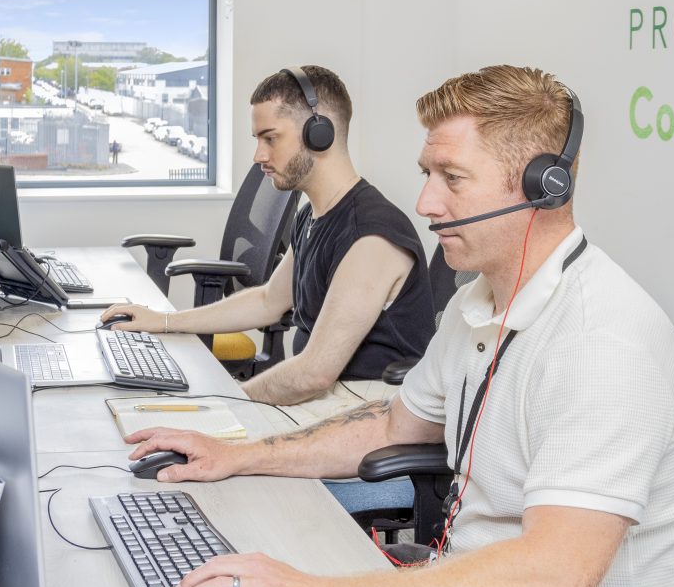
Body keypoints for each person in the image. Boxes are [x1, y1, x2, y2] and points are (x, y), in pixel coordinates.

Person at [124, 65, 674, 587]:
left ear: (544, 187)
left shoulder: (602, 344)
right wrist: (239, 455)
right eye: (426, 174)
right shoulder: (476, 303)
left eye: (452, 179)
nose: (426, 202)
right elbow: (393, 427)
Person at [102, 66, 436, 407]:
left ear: (320, 133)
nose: (259, 156)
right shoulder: (313, 216)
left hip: (365, 407)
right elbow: (268, 301)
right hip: (328, 401)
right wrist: (165, 321)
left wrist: (224, 403)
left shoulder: (370, 236)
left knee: (170, 418)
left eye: (270, 138)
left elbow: (313, 374)